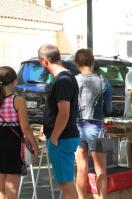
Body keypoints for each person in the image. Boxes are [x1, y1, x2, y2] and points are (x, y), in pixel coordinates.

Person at [38, 44, 80, 199]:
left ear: (44, 60)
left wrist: (54, 136)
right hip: (64, 137)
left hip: (62, 138)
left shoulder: (62, 80)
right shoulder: (66, 77)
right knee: (66, 183)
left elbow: (64, 113)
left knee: (66, 185)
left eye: (39, 61)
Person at [74, 49, 112, 199]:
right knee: (100, 168)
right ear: (93, 61)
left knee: (81, 168)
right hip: (97, 128)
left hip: (77, 127)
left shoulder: (73, 80)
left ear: (76, 64)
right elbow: (108, 109)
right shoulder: (103, 81)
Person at [0, 66, 38, 199]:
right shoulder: (18, 100)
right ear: (14, 81)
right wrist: (35, 146)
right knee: (11, 191)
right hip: (12, 146)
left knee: (2, 191)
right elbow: (25, 127)